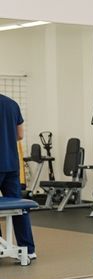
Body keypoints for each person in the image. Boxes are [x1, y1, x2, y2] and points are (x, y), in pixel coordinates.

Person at [0, 93, 37, 260]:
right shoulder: (12, 104)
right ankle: (28, 249)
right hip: (11, 165)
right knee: (19, 208)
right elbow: (20, 135)